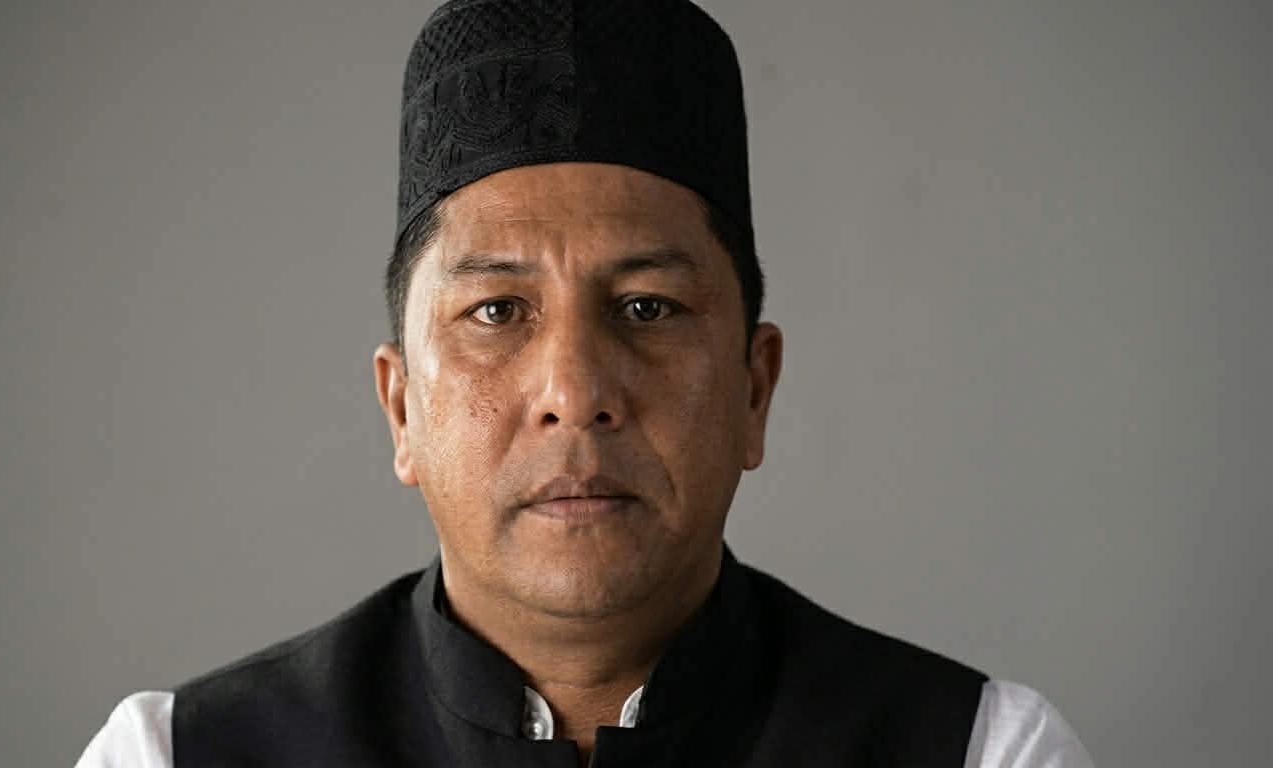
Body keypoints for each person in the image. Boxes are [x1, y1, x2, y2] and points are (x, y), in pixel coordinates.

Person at [77, 1, 1095, 766]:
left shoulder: (980, 750)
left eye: (647, 306)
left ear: (754, 389)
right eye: (495, 312)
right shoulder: (174, 756)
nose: (574, 389)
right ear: (401, 407)